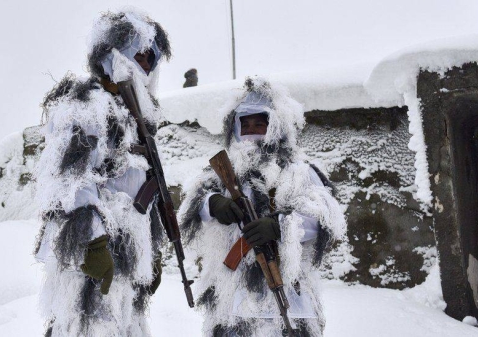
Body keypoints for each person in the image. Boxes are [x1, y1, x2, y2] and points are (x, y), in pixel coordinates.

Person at [33, 9, 171, 336]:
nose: (146, 65)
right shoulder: (86, 104)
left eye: (152, 59)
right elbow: (68, 179)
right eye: (139, 54)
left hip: (128, 257)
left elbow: (146, 193)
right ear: (113, 55)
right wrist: (91, 244)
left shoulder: (138, 122)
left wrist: (150, 253)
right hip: (93, 257)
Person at [179, 77, 346, 337]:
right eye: (245, 124)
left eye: (260, 122)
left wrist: (280, 226)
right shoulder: (223, 172)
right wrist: (213, 203)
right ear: (235, 128)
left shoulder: (299, 172)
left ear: (276, 126)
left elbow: (325, 217)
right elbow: (193, 199)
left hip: (287, 294)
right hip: (232, 297)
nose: (252, 130)